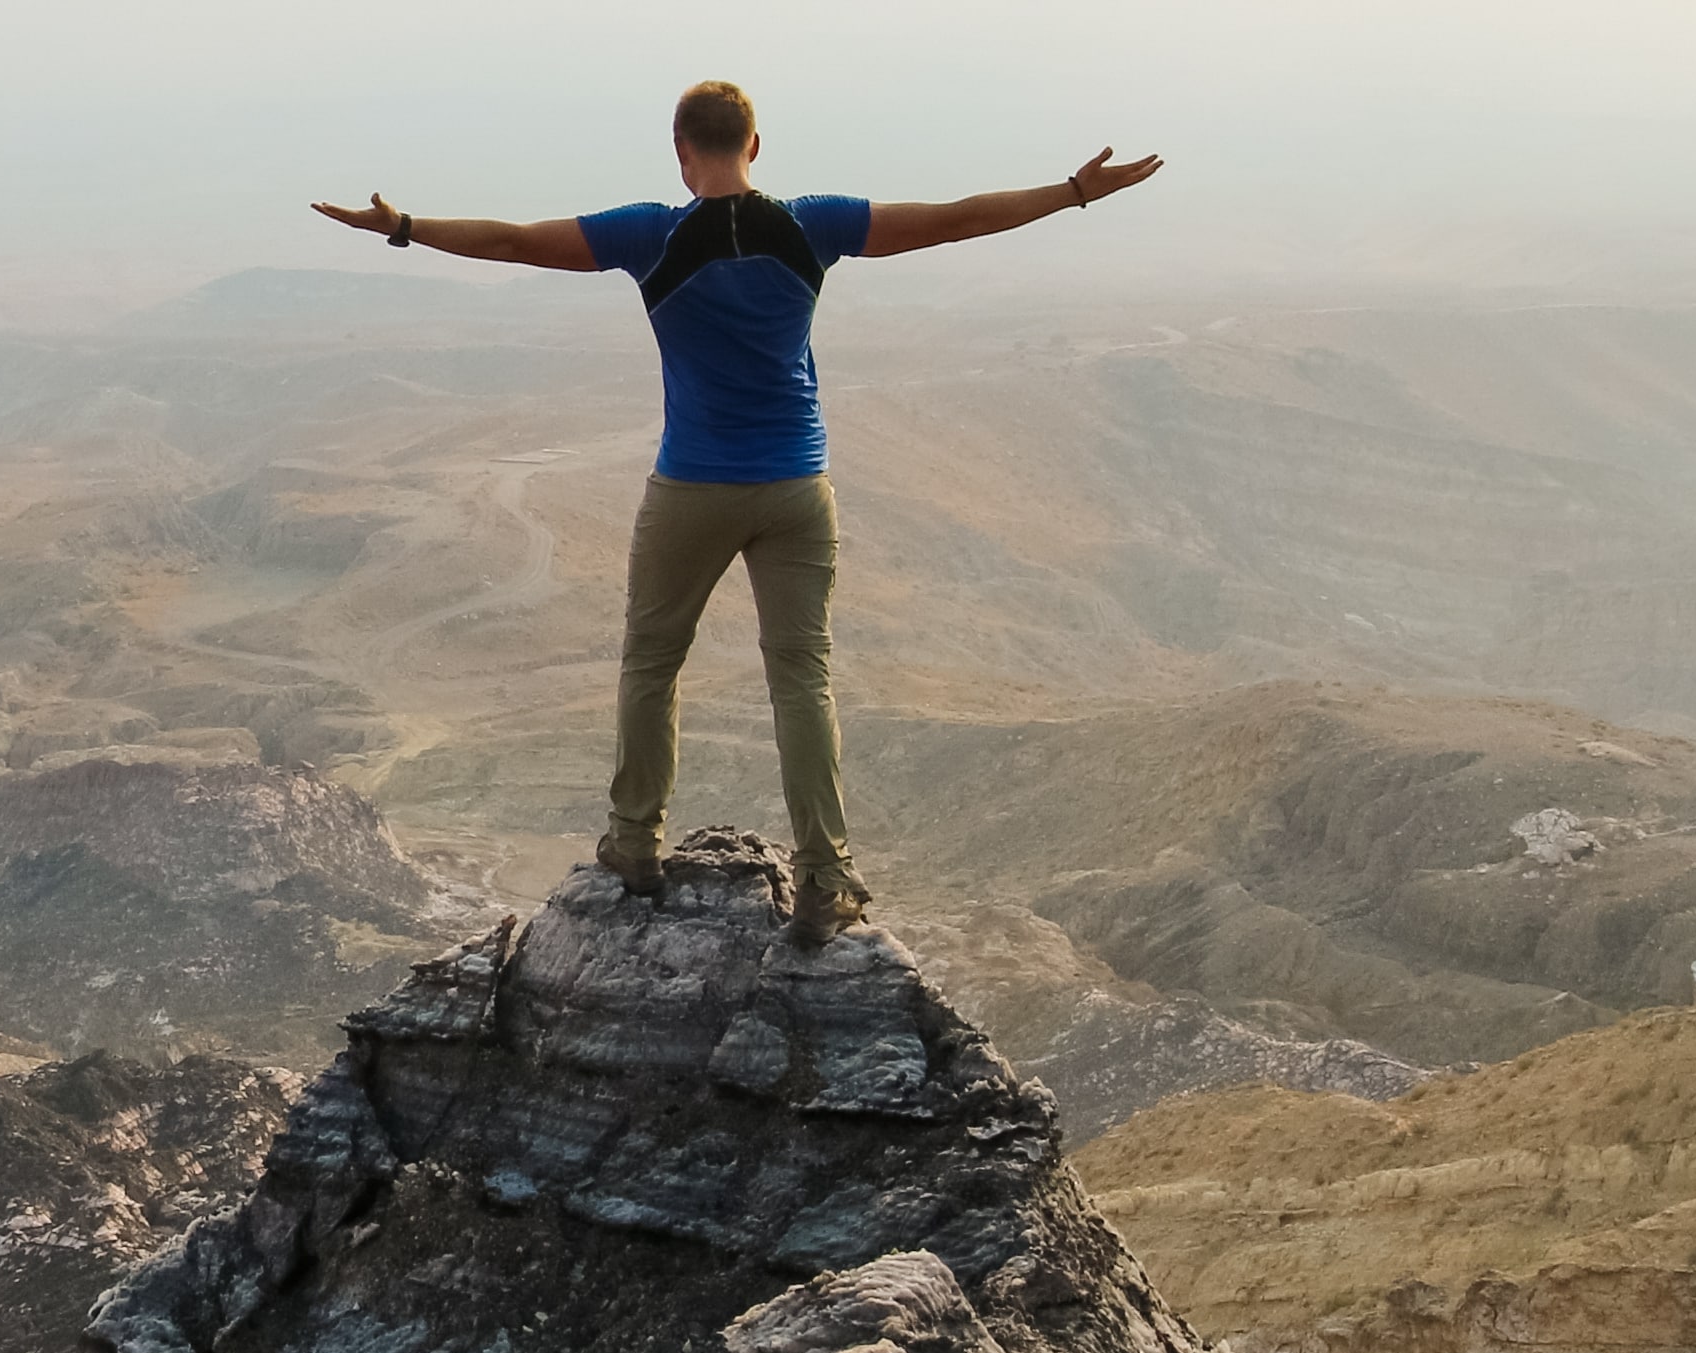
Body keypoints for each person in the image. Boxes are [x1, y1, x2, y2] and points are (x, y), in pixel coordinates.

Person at [315, 82, 1160, 946]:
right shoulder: (812, 224)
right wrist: (1074, 192)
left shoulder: (650, 233)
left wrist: (406, 227)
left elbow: (513, 242)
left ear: (680, 152)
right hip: (798, 488)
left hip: (692, 488)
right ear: (756, 145)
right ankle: (827, 880)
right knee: (802, 678)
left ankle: (635, 842)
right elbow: (959, 217)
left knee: (652, 661)